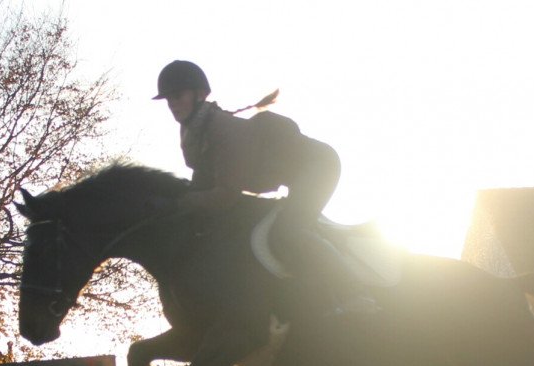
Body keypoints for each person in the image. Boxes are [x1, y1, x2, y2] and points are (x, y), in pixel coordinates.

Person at [153, 60, 379, 319]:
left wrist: (180, 203)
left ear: (200, 94)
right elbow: (202, 184)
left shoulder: (222, 129)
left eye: (177, 95)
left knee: (288, 230)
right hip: (294, 176)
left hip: (318, 167)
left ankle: (356, 294)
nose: (172, 104)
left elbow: (226, 195)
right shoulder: (193, 133)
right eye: (168, 99)